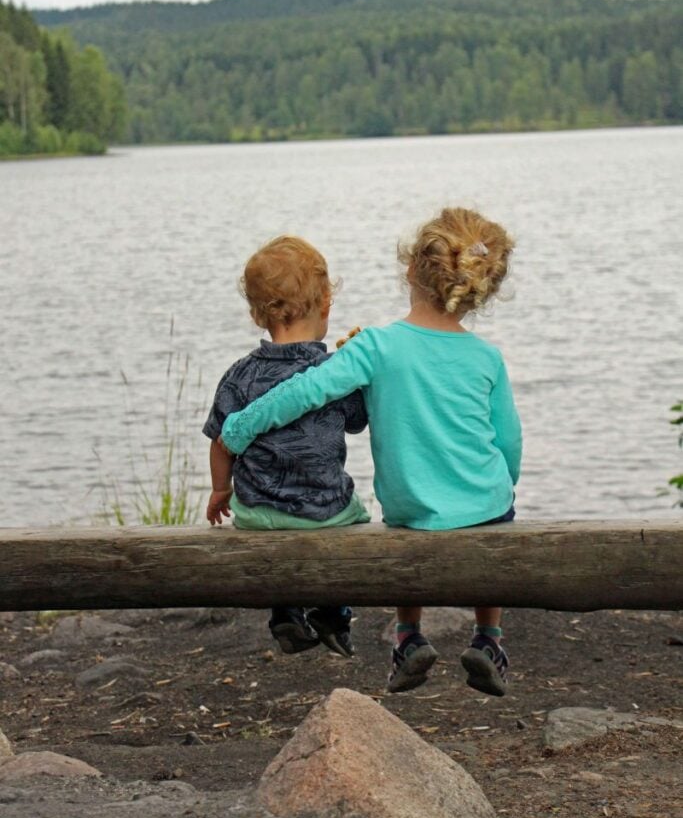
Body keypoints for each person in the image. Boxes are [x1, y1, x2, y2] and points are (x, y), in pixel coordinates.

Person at [220, 208, 522, 696]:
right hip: (485, 503)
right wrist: (503, 485)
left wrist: (239, 428)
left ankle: (409, 636)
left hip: (412, 508)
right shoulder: (487, 357)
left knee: (403, 516)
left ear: (411, 269)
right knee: (497, 514)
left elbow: (302, 392)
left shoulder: (376, 346)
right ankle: (488, 638)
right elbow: (508, 442)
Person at [203, 235, 370, 658]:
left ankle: (285, 613)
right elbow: (357, 421)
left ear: (257, 313)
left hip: (257, 514)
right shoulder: (332, 373)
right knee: (357, 515)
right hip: (324, 513)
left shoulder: (238, 376)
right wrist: (361, 374)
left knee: (274, 522)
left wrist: (220, 490)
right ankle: (333, 614)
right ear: (325, 305)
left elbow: (220, 443)